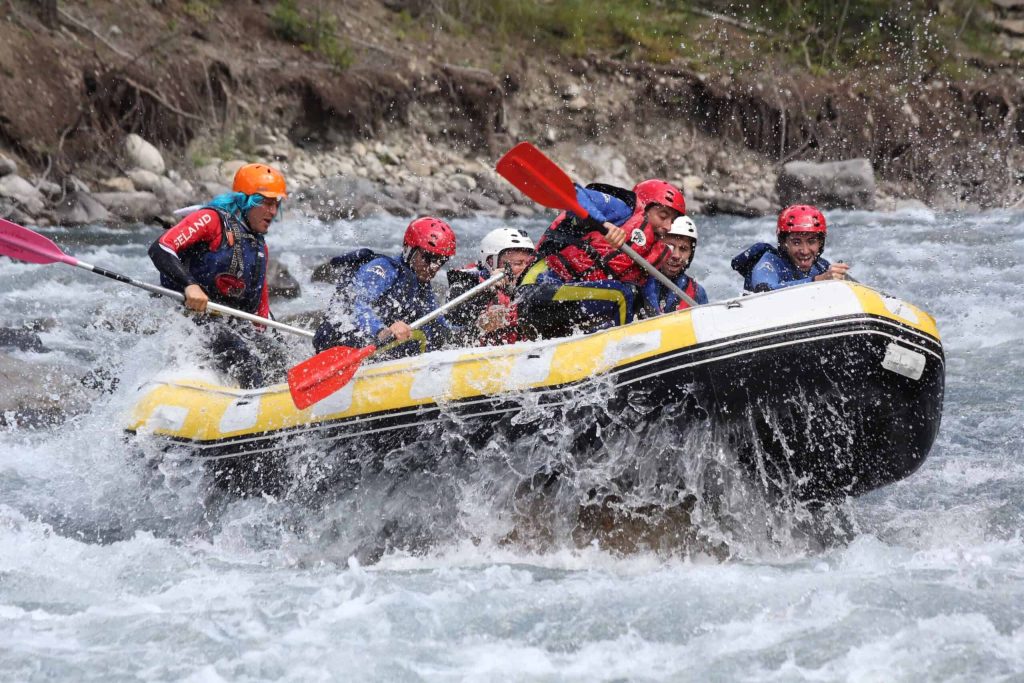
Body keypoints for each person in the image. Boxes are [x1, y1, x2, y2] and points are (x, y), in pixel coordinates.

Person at [149, 163, 288, 388]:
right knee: (245, 359)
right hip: (194, 323)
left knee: (276, 355)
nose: (273, 211)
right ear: (246, 200)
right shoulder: (211, 220)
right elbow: (161, 248)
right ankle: (249, 412)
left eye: (276, 204)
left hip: (233, 325)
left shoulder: (260, 247)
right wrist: (190, 285)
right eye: (266, 203)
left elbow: (260, 312)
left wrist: (271, 339)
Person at [516, 179, 688, 339]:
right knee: (621, 294)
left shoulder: (652, 252)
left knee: (634, 297)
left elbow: (649, 304)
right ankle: (621, 353)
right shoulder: (622, 209)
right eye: (663, 216)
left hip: (565, 307)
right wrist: (604, 224)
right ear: (645, 206)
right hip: (538, 291)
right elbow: (575, 193)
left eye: (672, 221)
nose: (667, 226)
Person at [314, 217, 456, 358]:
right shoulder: (383, 268)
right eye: (428, 258)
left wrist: (472, 329)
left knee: (432, 335)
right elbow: (357, 303)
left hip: (374, 349)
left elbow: (440, 325)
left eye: (441, 260)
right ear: (409, 249)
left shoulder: (421, 286)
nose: (434, 267)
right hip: (340, 340)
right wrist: (382, 331)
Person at [447, 227, 536, 346]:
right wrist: (488, 291)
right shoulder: (465, 283)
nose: (525, 269)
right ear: (491, 262)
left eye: (528, 263)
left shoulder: (527, 288)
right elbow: (453, 327)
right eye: (518, 263)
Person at [731, 204, 851, 293]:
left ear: (820, 243)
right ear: (783, 243)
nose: (805, 251)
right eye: (796, 242)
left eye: (812, 241)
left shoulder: (822, 266)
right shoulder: (768, 263)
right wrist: (817, 280)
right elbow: (764, 291)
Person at [641, 215, 708, 316]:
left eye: (683, 249)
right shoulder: (637, 281)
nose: (676, 255)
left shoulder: (698, 293)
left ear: (691, 254)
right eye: (669, 246)